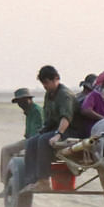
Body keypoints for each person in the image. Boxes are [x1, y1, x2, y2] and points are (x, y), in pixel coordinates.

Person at [20, 65, 78, 194]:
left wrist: (58, 135)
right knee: (31, 142)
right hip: (55, 128)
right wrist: (44, 129)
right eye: (43, 83)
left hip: (70, 130)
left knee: (43, 141)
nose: (45, 86)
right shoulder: (50, 94)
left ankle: (44, 181)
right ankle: (31, 181)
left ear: (56, 79)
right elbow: (50, 117)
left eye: (46, 82)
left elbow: (66, 118)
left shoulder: (64, 95)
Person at [0, 87, 44, 191]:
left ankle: (7, 183)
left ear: (29, 99)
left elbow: (38, 132)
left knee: (6, 150)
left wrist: (28, 147)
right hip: (30, 139)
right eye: (19, 102)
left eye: (23, 101)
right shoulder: (29, 111)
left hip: (34, 140)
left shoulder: (36, 111)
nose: (20, 104)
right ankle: (7, 182)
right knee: (7, 150)